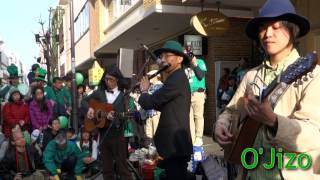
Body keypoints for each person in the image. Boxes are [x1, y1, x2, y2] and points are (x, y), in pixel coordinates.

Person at [213, 0, 320, 179]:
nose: (268, 34)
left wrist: (274, 121)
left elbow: (314, 135)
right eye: (263, 28)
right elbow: (231, 111)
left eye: (276, 27)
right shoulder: (251, 76)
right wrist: (220, 125)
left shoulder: (313, 75)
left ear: (293, 31)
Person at [138, 40, 193, 179]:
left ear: (180, 59)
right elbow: (161, 104)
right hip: (173, 145)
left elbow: (151, 102)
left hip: (175, 146)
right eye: (162, 56)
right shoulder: (175, 77)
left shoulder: (177, 78)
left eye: (167, 56)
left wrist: (144, 91)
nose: (162, 59)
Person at [81, 64, 132, 180]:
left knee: (122, 167)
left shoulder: (124, 96)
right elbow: (83, 101)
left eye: (111, 79)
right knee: (106, 168)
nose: (108, 82)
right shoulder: (99, 93)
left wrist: (116, 118)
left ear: (117, 80)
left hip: (118, 136)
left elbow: (124, 116)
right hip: (103, 135)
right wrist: (89, 109)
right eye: (106, 79)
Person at [184, 43, 207, 146]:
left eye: (188, 54)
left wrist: (194, 63)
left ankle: (198, 137)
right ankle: (192, 139)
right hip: (187, 94)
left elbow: (201, 75)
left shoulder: (200, 62)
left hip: (198, 93)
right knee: (188, 117)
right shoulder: (183, 66)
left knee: (198, 116)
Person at [144, 70, 163, 145]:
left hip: (156, 113)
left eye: (151, 76)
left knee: (156, 134)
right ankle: (152, 152)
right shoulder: (151, 87)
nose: (149, 77)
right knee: (149, 135)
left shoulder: (161, 86)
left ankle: (157, 152)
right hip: (149, 114)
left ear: (157, 76)